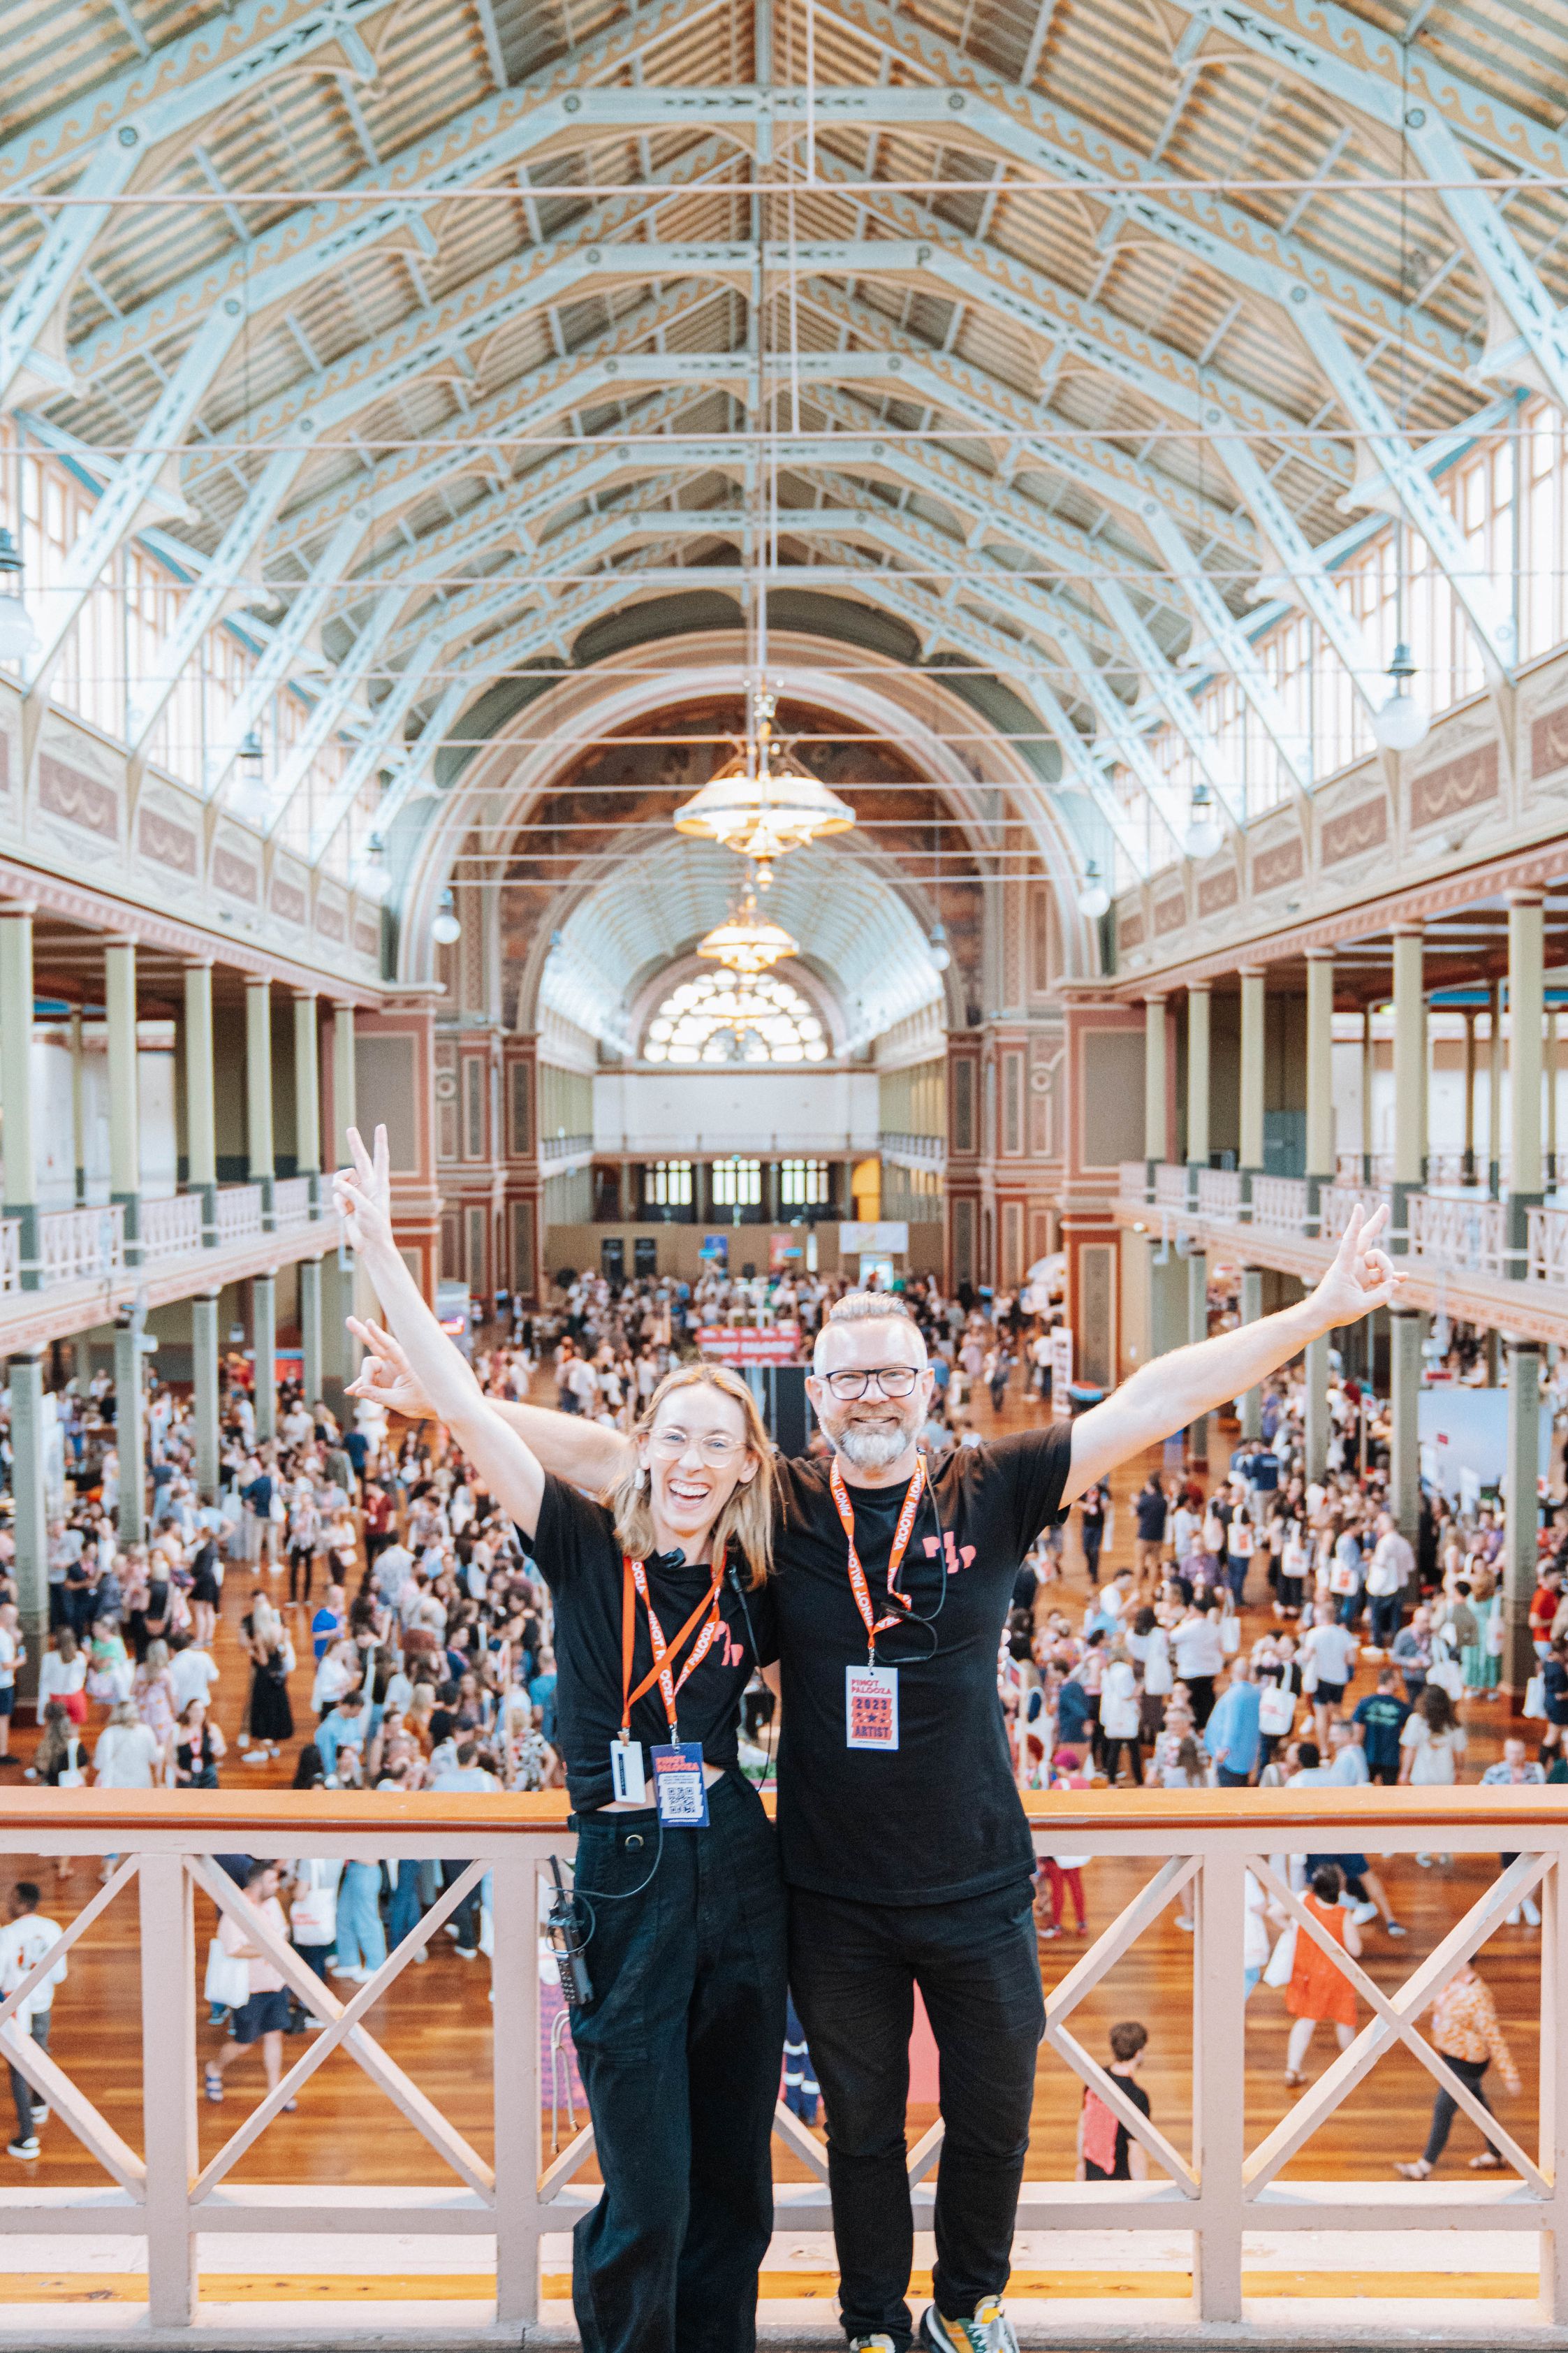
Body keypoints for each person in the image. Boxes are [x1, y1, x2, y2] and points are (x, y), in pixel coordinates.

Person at [348, 1134, 1401, 2353]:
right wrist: (442, 1399)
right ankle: (867, 2322)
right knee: (856, 2126)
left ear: (927, 1377)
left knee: (995, 2112)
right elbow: (612, 1454)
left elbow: (1157, 1395)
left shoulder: (994, 1485)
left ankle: (967, 2309)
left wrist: (1316, 1309)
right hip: (824, 1890)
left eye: (889, 1372)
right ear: (814, 1391)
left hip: (976, 1879)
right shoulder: (780, 1500)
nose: (869, 1394)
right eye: (844, 1377)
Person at [335, 1130, 786, 2353]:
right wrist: (383, 1251)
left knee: (737, 2196)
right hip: (627, 1872)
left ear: (747, 1466)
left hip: (741, 1871)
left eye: (718, 1443)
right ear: (640, 1448)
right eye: (672, 1438)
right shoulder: (584, 1546)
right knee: (649, 2191)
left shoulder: (760, 1575)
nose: (692, 1461)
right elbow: (482, 1419)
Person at [1395, 1962, 1519, 2178]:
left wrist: (1510, 2075)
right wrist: (1413, 2013)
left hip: (1467, 2062)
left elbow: (1494, 2036)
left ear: (1466, 1962)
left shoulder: (1478, 1996)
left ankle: (1424, 2167)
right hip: (1452, 2056)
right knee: (1479, 2107)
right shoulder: (1451, 1982)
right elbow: (1438, 2004)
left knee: (1443, 2109)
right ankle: (1497, 2153)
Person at [205, 1861, 298, 2112]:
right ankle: (215, 2067)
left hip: (275, 1983)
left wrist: (276, 1947)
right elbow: (233, 1949)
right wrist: (268, 1949)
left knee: (274, 2034)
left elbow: (283, 1933)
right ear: (257, 1884)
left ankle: (275, 2090)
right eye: (272, 1881)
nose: (277, 1886)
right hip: (249, 1988)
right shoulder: (235, 1910)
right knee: (244, 2043)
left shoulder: (272, 1903)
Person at [0, 1882, 66, 2159]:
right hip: (42, 2004)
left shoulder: (7, 1935)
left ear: (18, 1901)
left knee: (18, 2068)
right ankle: (39, 2103)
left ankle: (27, 2138)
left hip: (16, 2009)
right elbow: (59, 1975)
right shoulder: (52, 1929)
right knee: (40, 2052)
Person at [1283, 1864, 1362, 2085]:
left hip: (1307, 1973)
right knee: (1345, 2020)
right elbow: (1355, 1950)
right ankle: (1353, 2067)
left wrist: (1290, 1929)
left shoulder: (1304, 1902)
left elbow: (1276, 1912)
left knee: (1306, 2020)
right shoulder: (1342, 1914)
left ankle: (1292, 2068)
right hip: (1335, 1975)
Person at [1076, 2020, 1150, 2181]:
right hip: (1119, 2183)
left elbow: (1083, 2127)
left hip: (1092, 2175)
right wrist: (1142, 2189)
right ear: (1138, 2054)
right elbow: (1135, 2147)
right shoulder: (1137, 2096)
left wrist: (1081, 2169)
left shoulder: (1095, 2080)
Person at [1205, 1656, 1261, 1788]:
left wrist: (1224, 1749)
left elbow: (1232, 1724)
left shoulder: (1235, 1695)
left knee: (1230, 1797)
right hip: (1246, 1756)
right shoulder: (1255, 1693)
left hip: (1231, 1758)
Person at [1350, 1670, 1409, 1786]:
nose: (1400, 1683)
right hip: (1391, 1759)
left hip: (1368, 1756)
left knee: (1365, 1794)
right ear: (1391, 1681)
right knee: (1390, 1798)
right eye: (1398, 1680)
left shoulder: (1365, 1703)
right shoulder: (1402, 1707)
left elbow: (1357, 1731)